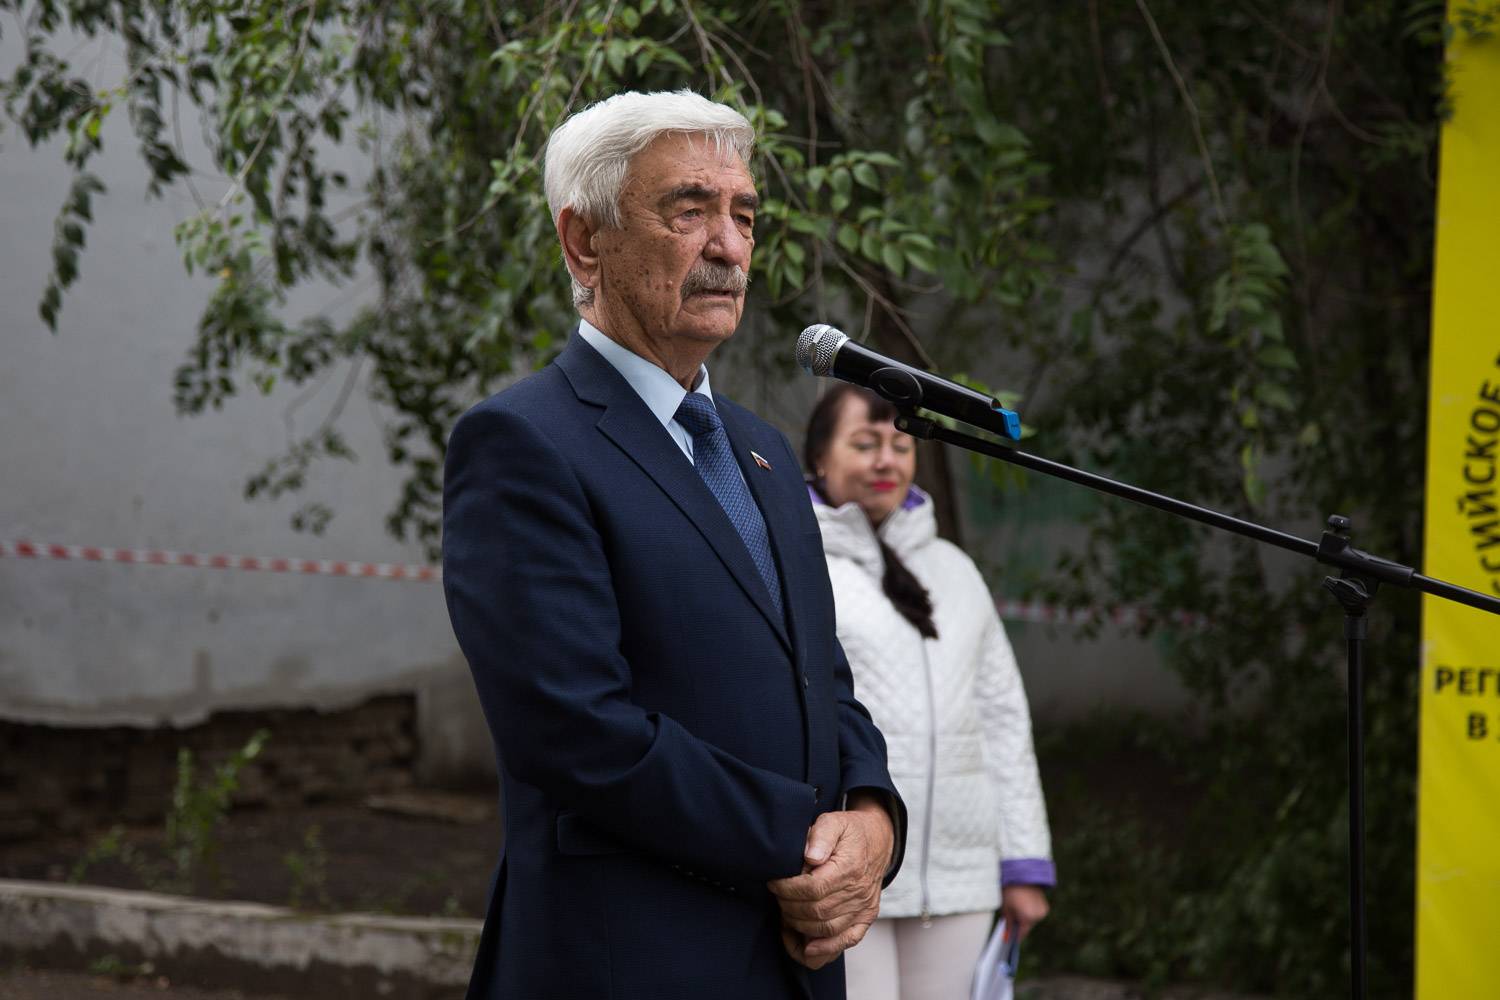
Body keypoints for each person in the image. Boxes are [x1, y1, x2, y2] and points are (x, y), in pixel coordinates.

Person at [442, 90, 907, 1000]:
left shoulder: (763, 449)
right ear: (586, 241)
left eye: (744, 215)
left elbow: (821, 679)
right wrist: (803, 839)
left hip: (795, 960)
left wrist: (873, 818)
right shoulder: (523, 444)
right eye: (689, 211)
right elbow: (575, 728)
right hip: (632, 958)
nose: (730, 247)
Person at [803, 383, 1055, 1000]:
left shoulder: (955, 570)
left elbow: (1003, 719)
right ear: (819, 459)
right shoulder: (796, 561)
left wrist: (1023, 863)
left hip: (961, 872)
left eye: (900, 445)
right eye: (864, 444)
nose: (885, 460)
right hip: (844, 865)